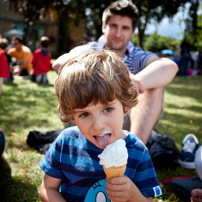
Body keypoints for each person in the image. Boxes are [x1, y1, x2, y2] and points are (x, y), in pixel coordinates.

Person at [39, 50, 162, 202]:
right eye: (84, 114)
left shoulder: (138, 151)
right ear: (72, 117)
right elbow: (47, 187)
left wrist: (132, 194)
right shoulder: (66, 143)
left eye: (107, 109)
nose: (98, 125)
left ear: (125, 106)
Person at [52, 0, 178, 145]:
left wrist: (135, 82)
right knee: (74, 75)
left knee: (154, 84)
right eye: (113, 26)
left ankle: (133, 152)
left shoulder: (137, 56)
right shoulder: (88, 50)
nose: (118, 33)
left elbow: (169, 66)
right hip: (87, 119)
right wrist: (119, 77)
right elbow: (59, 63)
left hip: (124, 120)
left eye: (125, 28)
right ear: (104, 27)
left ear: (132, 33)